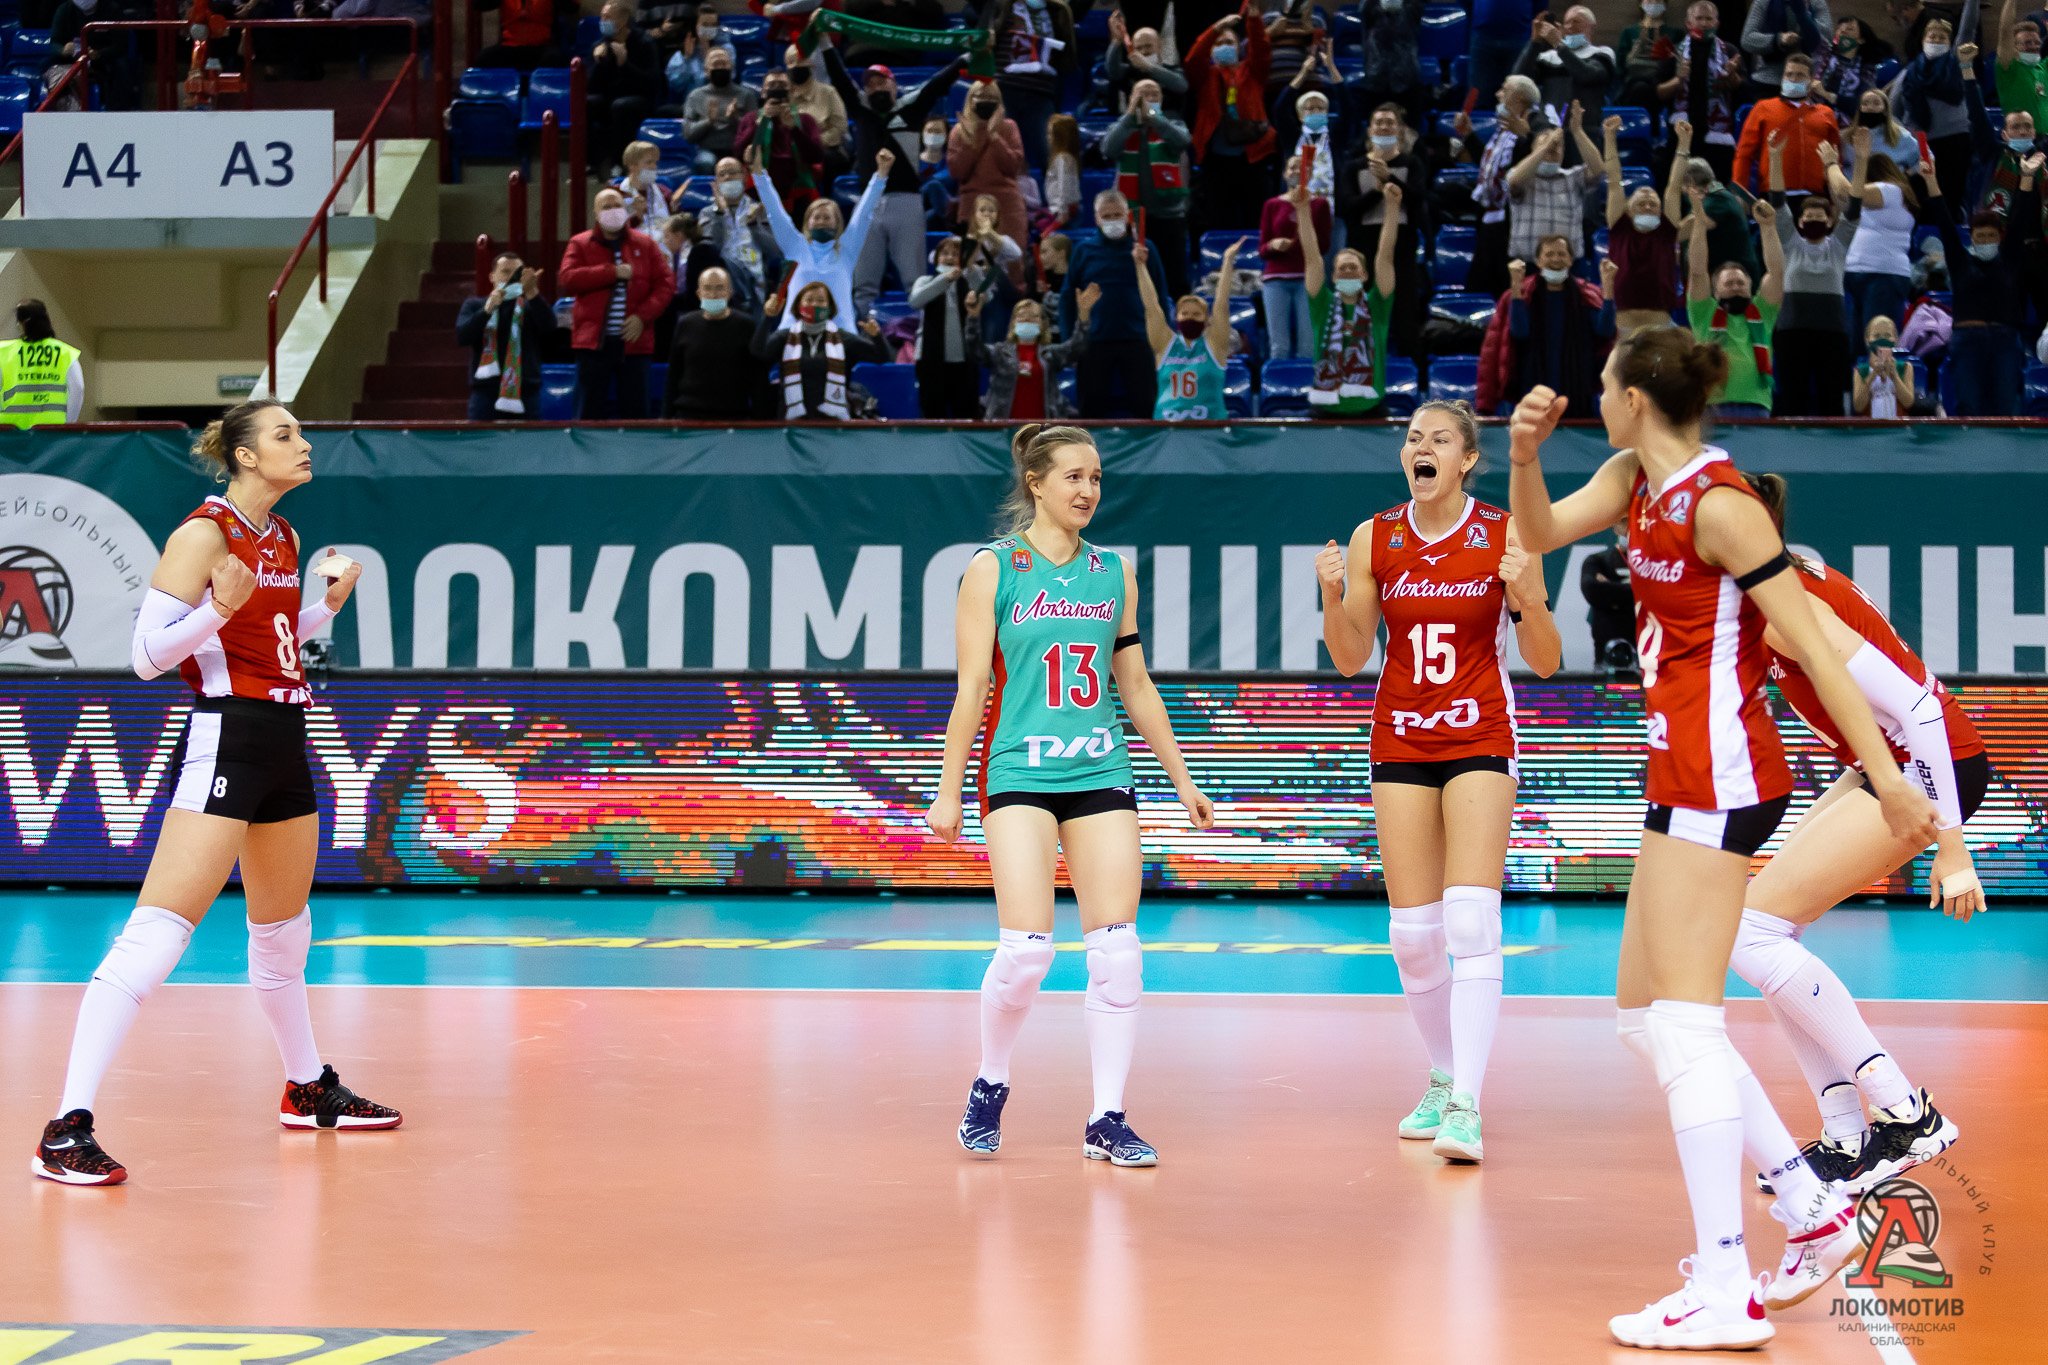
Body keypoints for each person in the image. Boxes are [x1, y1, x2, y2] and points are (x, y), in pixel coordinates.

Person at [1506, 337, 1938, 1350]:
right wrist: (1522, 456)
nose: (1594, 396)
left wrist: (1888, 783)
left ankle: (1724, 1284)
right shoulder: (1632, 478)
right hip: (1680, 778)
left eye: (1604, 384)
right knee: (1638, 1017)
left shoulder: (1721, 505)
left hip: (1726, 779)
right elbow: (1539, 531)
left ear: (1632, 398)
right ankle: (1810, 1208)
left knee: (1685, 1023)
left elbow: (1817, 650)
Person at [33, 401, 401, 1186]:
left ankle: (307, 1088)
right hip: (227, 737)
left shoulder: (283, 536)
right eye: (284, 434)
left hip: (283, 737)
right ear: (244, 455)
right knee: (157, 936)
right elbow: (147, 657)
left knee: (284, 934)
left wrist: (324, 608)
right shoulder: (202, 535)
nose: (303, 443)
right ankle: (64, 1128)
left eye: (300, 431)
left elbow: (268, 641)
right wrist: (218, 606)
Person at [927, 423, 1216, 1166]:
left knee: (1118, 952)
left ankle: (1107, 1117)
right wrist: (948, 791)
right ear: (1036, 482)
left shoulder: (1113, 572)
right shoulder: (993, 569)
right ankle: (991, 1080)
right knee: (1027, 952)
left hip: (1098, 768)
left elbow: (1135, 683)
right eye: (1074, 477)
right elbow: (972, 688)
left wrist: (1182, 778)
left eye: (1096, 478)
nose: (1088, 490)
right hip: (1019, 770)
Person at [1315, 401, 1559, 1162]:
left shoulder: (1504, 533)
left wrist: (1526, 597)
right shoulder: (1375, 536)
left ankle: (1468, 1104)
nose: (1422, 447)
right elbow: (1349, 658)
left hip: (1480, 730)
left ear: (1467, 460)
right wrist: (1331, 594)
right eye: (1413, 438)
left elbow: (1546, 659)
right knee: (1413, 934)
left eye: (1440, 439)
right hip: (1401, 734)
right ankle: (1444, 1075)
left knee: (1470, 919)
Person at [1731, 473, 1978, 1194]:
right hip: (1888, 767)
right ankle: (1845, 1137)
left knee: (1752, 931)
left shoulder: (1787, 607)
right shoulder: (1777, 588)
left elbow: (1920, 709)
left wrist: (1952, 848)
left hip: (1929, 768)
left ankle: (1906, 1114)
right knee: (1768, 928)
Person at [824, 50, 967, 314]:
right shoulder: (861, 109)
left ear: (894, 85)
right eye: (870, 84)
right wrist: (825, 45)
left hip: (906, 201)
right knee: (863, 284)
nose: (876, 87)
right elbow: (839, 77)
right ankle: (863, 332)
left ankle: (922, 333)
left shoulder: (910, 107)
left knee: (916, 282)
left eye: (882, 81)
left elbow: (937, 84)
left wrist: (964, 59)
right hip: (868, 204)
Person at [1935, 154, 2041, 415]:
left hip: (2005, 342)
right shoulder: (1960, 261)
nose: (1986, 241)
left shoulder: (2009, 259)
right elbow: (1945, 224)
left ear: (1999, 238)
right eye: (1980, 236)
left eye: (1991, 236)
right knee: (1968, 406)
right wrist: (1930, 181)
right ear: (1971, 238)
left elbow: (2019, 218)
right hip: (1967, 341)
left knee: (2006, 406)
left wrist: (2026, 178)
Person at [558, 185, 677, 419]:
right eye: (606, 207)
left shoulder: (646, 244)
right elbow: (567, 279)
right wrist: (611, 272)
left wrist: (642, 317)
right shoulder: (579, 243)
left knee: (636, 415)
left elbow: (666, 284)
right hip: (593, 345)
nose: (613, 210)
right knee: (587, 415)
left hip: (634, 342)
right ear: (596, 213)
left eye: (617, 205)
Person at [752, 143, 895, 331]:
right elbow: (775, 211)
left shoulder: (847, 249)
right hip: (794, 333)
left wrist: (881, 175)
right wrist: (758, 173)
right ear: (807, 222)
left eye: (827, 218)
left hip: (841, 334)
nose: (821, 221)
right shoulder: (794, 245)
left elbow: (864, 212)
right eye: (816, 217)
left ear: (837, 223)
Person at [1060, 190, 1172, 418]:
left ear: (1127, 215)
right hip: (1093, 342)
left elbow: (1161, 295)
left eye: (1117, 215)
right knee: (1091, 410)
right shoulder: (1083, 251)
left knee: (1146, 407)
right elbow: (1067, 299)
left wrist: (1164, 341)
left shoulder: (1145, 249)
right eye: (1106, 216)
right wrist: (1069, 343)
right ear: (1096, 218)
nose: (1112, 220)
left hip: (1139, 339)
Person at [1767, 136, 1857, 416]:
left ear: (1830, 221)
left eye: (1820, 217)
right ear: (1799, 221)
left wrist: (1862, 160)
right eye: (1809, 217)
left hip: (1832, 332)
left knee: (1832, 401)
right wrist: (1775, 157)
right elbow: (1777, 202)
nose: (1814, 220)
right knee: (1792, 400)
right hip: (1791, 331)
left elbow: (1854, 208)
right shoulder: (1791, 242)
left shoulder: (1838, 245)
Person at [1300, 175, 1398, 416]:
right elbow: (1312, 258)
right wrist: (1302, 211)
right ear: (1333, 277)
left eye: (1352, 267)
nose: (1347, 271)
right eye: (1342, 268)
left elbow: (1385, 255)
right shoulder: (1322, 303)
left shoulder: (1377, 304)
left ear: (1364, 275)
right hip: (1325, 409)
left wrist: (1393, 208)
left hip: (1371, 410)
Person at [1338, 103, 1429, 357]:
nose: (1384, 127)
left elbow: (1418, 200)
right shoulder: (1353, 167)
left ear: (1399, 130)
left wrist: (1390, 178)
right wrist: (1376, 191)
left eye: (1390, 122)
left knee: (1405, 312)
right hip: (1363, 249)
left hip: (1402, 249)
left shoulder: (1412, 164)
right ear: (1369, 130)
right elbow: (1347, 208)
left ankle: (1411, 367)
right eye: (1379, 122)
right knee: (1362, 313)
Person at [1686, 187, 1785, 418]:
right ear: (1716, 291)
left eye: (1740, 283)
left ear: (1750, 287)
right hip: (1713, 407)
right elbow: (1698, 271)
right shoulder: (1704, 312)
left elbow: (1776, 273)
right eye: (1729, 283)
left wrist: (1768, 227)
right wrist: (1699, 224)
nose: (1736, 286)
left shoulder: (1762, 311)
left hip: (1757, 406)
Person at [1487, 240, 1617, 416]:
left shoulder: (1586, 294)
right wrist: (1516, 287)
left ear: (1571, 260)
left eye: (1562, 254)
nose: (1556, 259)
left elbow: (1605, 330)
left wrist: (1608, 287)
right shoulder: (1526, 293)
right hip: (1533, 381)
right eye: (1549, 254)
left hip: (1576, 385)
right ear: (1538, 261)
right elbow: (1519, 332)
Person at [1186, 1, 1277, 235]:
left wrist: (1254, 19)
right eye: (1218, 44)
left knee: (1256, 219)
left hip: (1252, 157)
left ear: (1239, 47)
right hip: (1216, 161)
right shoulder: (1205, 75)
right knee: (1219, 219)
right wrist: (1215, 29)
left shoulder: (1252, 71)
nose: (1223, 46)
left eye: (1229, 42)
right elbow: (1193, 59)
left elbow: (1261, 49)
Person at [1101, 78, 1194, 299]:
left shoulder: (1172, 124)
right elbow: (1108, 149)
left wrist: (1156, 119)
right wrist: (1129, 118)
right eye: (1143, 94)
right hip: (1131, 217)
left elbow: (1183, 141)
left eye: (1154, 94)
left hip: (1169, 215)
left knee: (1174, 279)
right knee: (1134, 278)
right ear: (1131, 99)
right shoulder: (1121, 126)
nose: (1149, 99)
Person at [1135, 234, 1244, 420]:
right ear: (1176, 318)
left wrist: (1227, 262)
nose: (1190, 318)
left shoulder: (1214, 345)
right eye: (1184, 314)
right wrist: (1140, 266)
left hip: (1209, 428)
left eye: (1196, 314)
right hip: (1167, 428)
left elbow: (1221, 305)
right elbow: (1151, 306)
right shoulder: (1165, 344)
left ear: (1206, 320)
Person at [1828, 129, 1920, 348]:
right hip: (1857, 274)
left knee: (1878, 345)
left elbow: (1846, 191)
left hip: (1883, 276)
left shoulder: (1891, 190)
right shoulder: (1870, 203)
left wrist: (1831, 165)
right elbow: (1842, 199)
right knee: (1855, 347)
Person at [1463, 76, 1551, 302]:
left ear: (1520, 98)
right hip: (1491, 221)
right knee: (1481, 290)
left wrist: (1526, 136)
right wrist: (1469, 137)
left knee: (1510, 294)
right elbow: (1493, 171)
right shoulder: (1504, 127)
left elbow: (1538, 165)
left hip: (1515, 226)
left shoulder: (1538, 124)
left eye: (1504, 89)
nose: (1498, 94)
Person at [753, 280, 891, 418]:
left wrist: (877, 336)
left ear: (829, 307)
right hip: (793, 421)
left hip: (834, 423)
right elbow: (758, 351)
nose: (814, 304)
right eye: (809, 300)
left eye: (820, 300)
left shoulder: (843, 338)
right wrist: (767, 318)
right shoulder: (785, 337)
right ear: (798, 305)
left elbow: (883, 357)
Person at [1601, 113, 1684, 337]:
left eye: (1653, 203)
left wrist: (1684, 144)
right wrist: (1609, 137)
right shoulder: (1619, 227)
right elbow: (1614, 181)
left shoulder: (1667, 230)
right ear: (1628, 209)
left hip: (1662, 328)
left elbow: (1674, 187)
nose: (1647, 204)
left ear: (1661, 210)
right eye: (1641, 202)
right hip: (1623, 328)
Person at [455, 253, 555, 420]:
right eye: (505, 272)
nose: (510, 278)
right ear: (492, 276)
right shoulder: (475, 305)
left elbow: (550, 329)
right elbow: (463, 336)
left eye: (517, 273)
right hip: (486, 393)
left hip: (526, 392)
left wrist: (532, 293)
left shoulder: (531, 306)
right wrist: (486, 311)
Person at [947, 81, 1030, 281]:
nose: (986, 102)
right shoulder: (959, 130)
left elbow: (1013, 167)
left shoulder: (1009, 127)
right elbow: (958, 171)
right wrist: (976, 136)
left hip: (1007, 206)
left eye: (991, 98)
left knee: (1012, 266)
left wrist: (994, 136)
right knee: (971, 267)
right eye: (981, 97)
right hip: (971, 206)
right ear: (970, 100)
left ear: (999, 102)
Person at [981, 0, 1077, 170]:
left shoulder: (1058, 11)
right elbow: (982, 42)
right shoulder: (1001, 5)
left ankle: (1059, 188)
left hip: (1041, 95)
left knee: (1050, 155)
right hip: (1005, 91)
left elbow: (1066, 58)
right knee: (1000, 154)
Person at [664, 266, 769, 419]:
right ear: (699, 293)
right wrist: (665, 418)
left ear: (730, 292)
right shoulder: (685, 324)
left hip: (733, 415)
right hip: (689, 414)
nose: (713, 295)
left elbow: (757, 377)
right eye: (707, 288)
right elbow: (673, 376)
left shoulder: (746, 326)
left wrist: (761, 420)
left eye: (720, 288)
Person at [973, 288, 1094, 419]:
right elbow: (975, 348)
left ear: (1042, 324)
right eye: (1022, 316)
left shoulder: (1050, 354)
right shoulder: (999, 353)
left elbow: (1077, 346)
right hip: (1004, 426)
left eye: (1033, 317)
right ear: (1013, 323)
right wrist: (973, 318)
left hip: (1043, 427)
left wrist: (1084, 315)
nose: (1027, 319)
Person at [1898, 12, 1979, 208]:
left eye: (1942, 37)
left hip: (1954, 141)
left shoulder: (1956, 64)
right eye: (1932, 36)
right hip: (1919, 142)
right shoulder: (1909, 72)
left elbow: (1967, 29)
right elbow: (1892, 110)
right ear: (1923, 40)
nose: (1936, 40)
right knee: (1919, 197)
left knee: (1951, 195)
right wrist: (1906, 134)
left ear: (1950, 43)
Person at [1515, 5, 1615, 164]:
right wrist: (1535, 42)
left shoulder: (1602, 53)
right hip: (1547, 133)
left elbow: (1586, 75)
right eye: (1567, 22)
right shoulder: (1549, 56)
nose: (1570, 27)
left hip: (1583, 134)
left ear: (1592, 27)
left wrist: (1559, 44)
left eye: (1577, 22)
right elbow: (1519, 81)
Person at [1732, 51, 1841, 195]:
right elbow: (1744, 155)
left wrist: (1835, 197)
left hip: (1815, 197)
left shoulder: (1826, 113)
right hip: (1774, 194)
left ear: (1811, 80)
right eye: (1789, 74)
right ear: (1782, 77)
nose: (1793, 79)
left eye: (1800, 75)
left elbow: (1835, 159)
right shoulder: (1763, 108)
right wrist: (1739, 194)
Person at [1663, 1, 1747, 185]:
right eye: (1699, 18)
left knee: (1718, 186)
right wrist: (1678, 79)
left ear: (1717, 23)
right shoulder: (1674, 53)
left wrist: (1732, 74)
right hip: (1681, 132)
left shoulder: (1729, 51)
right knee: (1678, 185)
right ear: (1688, 23)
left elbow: (1742, 90)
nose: (1704, 23)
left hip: (1717, 135)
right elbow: (1659, 92)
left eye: (1709, 19)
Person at [909, 235, 992, 418]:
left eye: (955, 254)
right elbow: (915, 301)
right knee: (932, 413)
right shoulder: (925, 280)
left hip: (965, 360)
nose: (949, 258)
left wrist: (971, 268)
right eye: (944, 253)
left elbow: (987, 296)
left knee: (967, 414)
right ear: (937, 257)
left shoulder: (970, 280)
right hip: (930, 359)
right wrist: (945, 279)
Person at [1259, 155, 1332, 360]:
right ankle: (1277, 380)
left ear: (1311, 174)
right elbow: (1262, 249)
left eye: (1303, 168)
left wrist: (1305, 229)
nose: (1297, 172)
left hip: (1308, 279)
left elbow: (1324, 246)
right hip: (1275, 279)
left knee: (1308, 346)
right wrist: (1273, 245)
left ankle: (1307, 380)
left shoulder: (1320, 205)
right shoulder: (1272, 205)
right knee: (1278, 347)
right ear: (1284, 174)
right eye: (1292, 168)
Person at [587, 0, 666, 174]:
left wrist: (625, 64)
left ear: (623, 21)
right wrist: (598, 62)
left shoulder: (645, 42)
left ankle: (619, 163)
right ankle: (591, 162)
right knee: (586, 103)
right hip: (609, 99)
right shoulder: (600, 46)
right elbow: (591, 86)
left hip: (640, 99)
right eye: (602, 17)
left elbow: (652, 83)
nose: (602, 21)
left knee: (621, 106)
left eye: (607, 17)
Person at [698, 156, 784, 314]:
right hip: (720, 286)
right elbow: (711, 250)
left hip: (755, 283)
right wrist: (719, 215)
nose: (728, 177)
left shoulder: (759, 210)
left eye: (732, 173)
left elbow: (775, 252)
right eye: (722, 174)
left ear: (744, 176)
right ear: (716, 181)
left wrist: (754, 226)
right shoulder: (708, 213)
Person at [1674, 124, 1760, 279]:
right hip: (1718, 274)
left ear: (1691, 182)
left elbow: (1694, 224)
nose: (1681, 190)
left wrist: (1657, 238)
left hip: (1736, 278)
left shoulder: (1719, 197)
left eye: (1681, 184)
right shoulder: (1709, 196)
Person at [734, 70, 824, 214]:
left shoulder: (805, 119)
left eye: (782, 85)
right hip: (759, 190)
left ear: (791, 91)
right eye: (772, 85)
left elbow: (816, 156)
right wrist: (759, 124)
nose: (777, 88)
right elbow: (738, 153)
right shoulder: (751, 119)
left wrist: (794, 129)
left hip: (798, 191)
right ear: (763, 92)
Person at [1505, 124, 1591, 265]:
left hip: (1568, 264)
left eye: (1557, 146)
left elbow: (1599, 170)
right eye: (1544, 145)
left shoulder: (1574, 177)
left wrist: (1577, 131)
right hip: (1526, 264)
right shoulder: (1521, 175)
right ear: (1534, 151)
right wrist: (1547, 146)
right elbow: (1514, 181)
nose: (1551, 148)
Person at [0, 299, 83, 427]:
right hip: (52, 432)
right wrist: (68, 424)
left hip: (11, 431)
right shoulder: (65, 353)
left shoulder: (4, 351)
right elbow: (78, 388)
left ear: (21, 324)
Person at [683, 44, 760, 172]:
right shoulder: (695, 96)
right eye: (715, 64)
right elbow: (688, 134)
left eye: (723, 64)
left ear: (731, 67)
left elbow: (754, 132)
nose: (720, 68)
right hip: (707, 150)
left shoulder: (747, 95)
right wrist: (709, 121)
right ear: (706, 70)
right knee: (705, 163)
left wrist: (735, 119)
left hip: (738, 149)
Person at [1739, 0, 1832, 102]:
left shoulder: (1816, 2)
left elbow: (1825, 41)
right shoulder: (1764, 2)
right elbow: (1747, 39)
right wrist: (1778, 39)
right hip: (1768, 81)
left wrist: (1802, 14)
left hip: (1802, 82)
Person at [784, 43, 851, 175]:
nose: (798, 70)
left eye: (802, 67)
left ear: (810, 68)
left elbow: (839, 128)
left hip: (824, 149)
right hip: (789, 150)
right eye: (794, 68)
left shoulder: (828, 92)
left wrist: (813, 144)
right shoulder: (784, 94)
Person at [1104, 13, 1187, 115]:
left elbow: (1182, 86)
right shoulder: (1129, 72)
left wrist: (1149, 67)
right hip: (1136, 119)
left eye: (1148, 46)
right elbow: (1112, 70)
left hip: (1167, 119)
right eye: (1139, 48)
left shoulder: (1172, 70)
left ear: (1159, 46)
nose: (1144, 51)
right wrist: (1117, 40)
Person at [1581, 529, 1638, 673]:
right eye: (1624, 523)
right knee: (1606, 687)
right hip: (1605, 655)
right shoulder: (1597, 561)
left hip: (1644, 653)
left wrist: (1610, 587)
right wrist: (1636, 592)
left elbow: (1659, 594)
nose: (1629, 530)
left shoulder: (1654, 563)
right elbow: (1592, 590)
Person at [1617, 0, 1685, 113]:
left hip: (1663, 84)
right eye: (1649, 0)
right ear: (1641, 3)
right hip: (1635, 85)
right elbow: (1620, 68)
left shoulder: (1676, 33)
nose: (1653, 3)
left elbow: (1679, 63)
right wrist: (1635, 52)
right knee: (1640, 88)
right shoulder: (1629, 32)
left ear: (1664, 5)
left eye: (1658, 0)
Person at [1812, 17, 1885, 120]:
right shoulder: (1824, 53)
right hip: (1813, 114)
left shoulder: (1867, 69)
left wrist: (1827, 95)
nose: (1842, 31)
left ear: (1861, 39)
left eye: (1850, 29)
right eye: (1839, 28)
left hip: (1844, 123)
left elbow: (1861, 104)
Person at [1841, 87, 1922, 176]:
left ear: (1885, 110)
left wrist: (1907, 175)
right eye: (1865, 104)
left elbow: (1925, 157)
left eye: (1876, 103)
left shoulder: (1901, 135)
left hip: (1891, 183)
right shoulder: (1845, 137)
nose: (1870, 108)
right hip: (1853, 183)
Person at [1850, 315, 1916, 416]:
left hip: (1899, 424)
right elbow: (1858, 407)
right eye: (1876, 336)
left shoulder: (1906, 367)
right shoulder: (1860, 371)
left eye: (1887, 335)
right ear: (1867, 340)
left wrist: (1894, 376)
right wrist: (1873, 374)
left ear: (1895, 339)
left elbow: (1908, 403)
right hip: (1870, 425)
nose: (1882, 340)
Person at [1997, 0, 2048, 128]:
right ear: (2014, 47)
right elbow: (2005, 30)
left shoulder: (2042, 68)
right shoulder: (2009, 68)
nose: (2034, 46)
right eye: (2027, 42)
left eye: (2037, 42)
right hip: (2021, 136)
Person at [475, 0, 568, 70]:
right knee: (484, 59)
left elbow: (570, 7)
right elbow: (479, 4)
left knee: (556, 60)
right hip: (510, 47)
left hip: (542, 47)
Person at [1043, 112, 1082, 229]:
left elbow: (1064, 186)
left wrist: (1063, 212)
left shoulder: (1064, 159)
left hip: (1064, 212)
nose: (1048, 137)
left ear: (1060, 137)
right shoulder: (1062, 158)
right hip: (1059, 210)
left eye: (1050, 134)